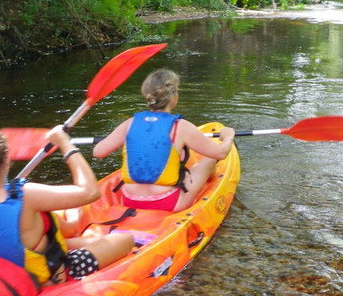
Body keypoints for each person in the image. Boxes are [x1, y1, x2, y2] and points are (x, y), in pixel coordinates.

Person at [0, 124, 134, 284]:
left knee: (70, 241)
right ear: (5, 162)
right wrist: (66, 144)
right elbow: (91, 192)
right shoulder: (25, 194)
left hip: (0, 279)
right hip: (43, 280)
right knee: (125, 239)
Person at [91, 69, 235, 212]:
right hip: (168, 203)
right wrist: (228, 136)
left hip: (129, 201)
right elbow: (220, 153)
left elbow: (98, 152)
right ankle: (212, 183)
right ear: (173, 97)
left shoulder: (130, 123)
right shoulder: (181, 126)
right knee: (208, 161)